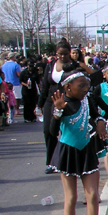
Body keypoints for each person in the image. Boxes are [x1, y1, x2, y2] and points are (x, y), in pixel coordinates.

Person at [48, 69, 108, 215]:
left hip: (87, 150)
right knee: (71, 198)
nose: (86, 89)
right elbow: (52, 132)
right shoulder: (62, 104)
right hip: (68, 152)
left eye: (87, 85)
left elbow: (97, 114)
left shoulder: (87, 100)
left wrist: (100, 121)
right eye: (81, 86)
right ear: (68, 87)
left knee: (92, 195)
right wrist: (58, 111)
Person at [38, 40, 76, 174]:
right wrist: (39, 105)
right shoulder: (51, 66)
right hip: (51, 100)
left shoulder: (74, 65)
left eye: (65, 54)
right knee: (49, 131)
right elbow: (44, 87)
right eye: (59, 54)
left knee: (68, 132)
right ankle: (51, 162)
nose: (62, 57)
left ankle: (71, 161)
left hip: (69, 101)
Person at [1, 53, 21, 118]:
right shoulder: (16, 65)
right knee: (17, 97)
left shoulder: (3, 65)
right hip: (15, 82)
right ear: (13, 57)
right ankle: (16, 109)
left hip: (6, 83)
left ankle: (9, 110)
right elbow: (18, 74)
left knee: (9, 98)